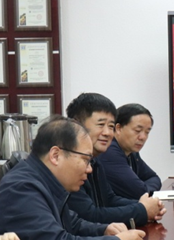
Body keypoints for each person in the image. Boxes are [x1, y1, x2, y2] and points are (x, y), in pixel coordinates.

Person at [0, 117, 145, 240]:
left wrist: (104, 230)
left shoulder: (43, 179)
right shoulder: (22, 188)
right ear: (55, 155)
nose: (89, 169)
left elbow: (72, 223)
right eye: (86, 160)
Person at [65, 93, 165, 225]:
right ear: (77, 125)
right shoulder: (67, 162)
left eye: (110, 126)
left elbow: (109, 199)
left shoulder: (95, 160)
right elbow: (89, 215)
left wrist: (148, 206)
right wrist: (142, 210)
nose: (107, 133)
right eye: (101, 124)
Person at [96, 103, 162, 201]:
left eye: (147, 132)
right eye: (137, 130)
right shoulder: (109, 152)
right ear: (118, 128)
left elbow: (154, 177)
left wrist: (145, 188)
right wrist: (145, 189)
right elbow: (139, 192)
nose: (143, 137)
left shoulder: (131, 152)